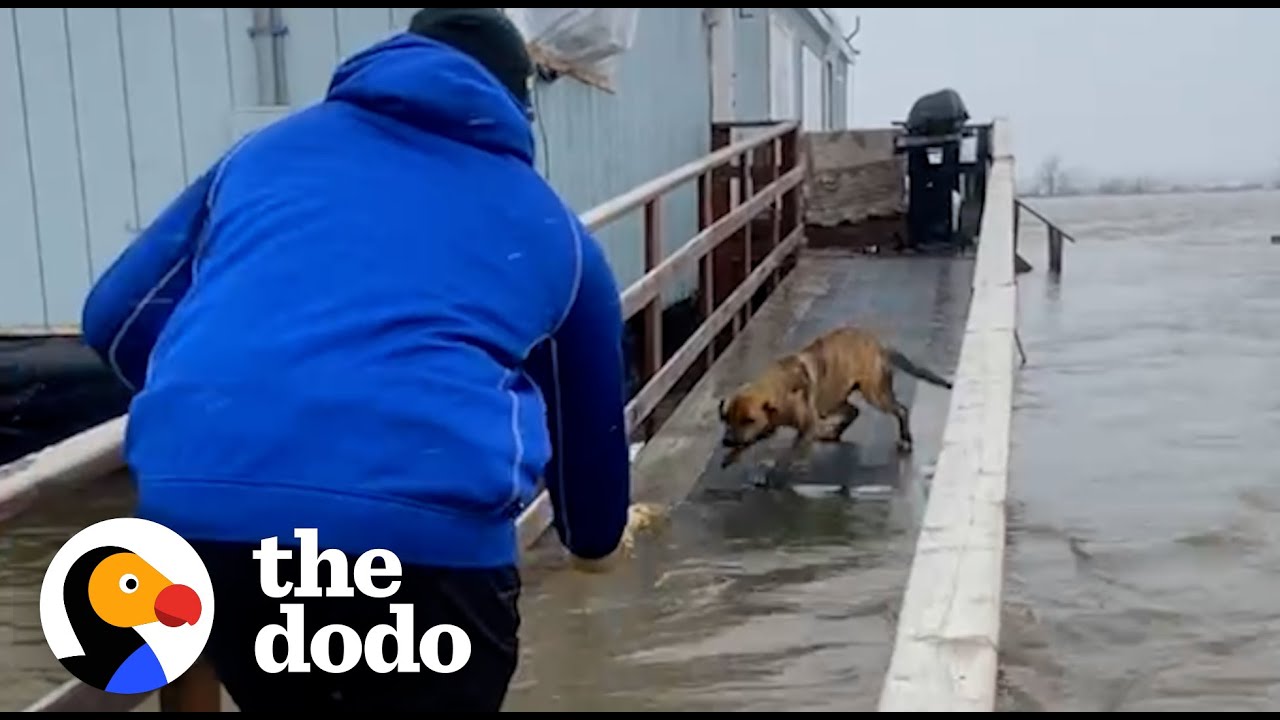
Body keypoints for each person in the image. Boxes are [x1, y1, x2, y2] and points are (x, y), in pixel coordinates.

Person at [80, 8, 632, 712]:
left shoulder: (261, 155)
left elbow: (115, 317)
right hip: (427, 562)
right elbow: (591, 453)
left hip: (212, 540)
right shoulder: (553, 227)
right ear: (518, 103)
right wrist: (591, 542)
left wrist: (223, 401)